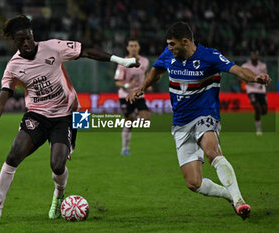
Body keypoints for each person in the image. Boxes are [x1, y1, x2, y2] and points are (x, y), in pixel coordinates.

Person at [0, 15, 139, 222]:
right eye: (20, 41)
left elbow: (86, 51)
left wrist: (121, 61)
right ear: (14, 42)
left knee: (57, 165)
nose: (25, 43)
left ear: (32, 34)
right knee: (13, 156)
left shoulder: (53, 47)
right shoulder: (13, 67)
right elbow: (0, 102)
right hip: (37, 114)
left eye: (27, 38)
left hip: (67, 114)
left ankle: (58, 196)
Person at [127, 22, 271, 220]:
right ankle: (228, 195)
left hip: (205, 115)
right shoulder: (169, 54)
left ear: (185, 42)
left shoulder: (209, 56)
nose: (169, 48)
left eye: (172, 44)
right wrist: (142, 87)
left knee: (212, 151)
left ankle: (239, 200)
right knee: (193, 183)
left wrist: (255, 78)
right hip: (180, 123)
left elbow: (236, 70)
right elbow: (157, 70)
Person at [114, 38, 151, 155]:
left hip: (139, 95)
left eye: (135, 45)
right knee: (129, 122)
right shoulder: (122, 62)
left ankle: (133, 119)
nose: (133, 48)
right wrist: (127, 85)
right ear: (127, 48)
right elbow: (117, 81)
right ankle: (125, 148)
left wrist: (147, 84)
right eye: (131, 46)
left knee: (146, 119)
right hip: (125, 95)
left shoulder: (145, 61)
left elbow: (146, 75)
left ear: (139, 47)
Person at [241, 50, 268, 135]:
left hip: (261, 89)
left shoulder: (263, 66)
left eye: (255, 55)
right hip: (251, 89)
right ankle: (259, 129)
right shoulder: (245, 65)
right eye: (253, 55)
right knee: (256, 107)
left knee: (264, 110)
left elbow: (265, 76)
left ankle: (258, 114)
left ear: (258, 56)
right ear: (251, 56)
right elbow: (241, 76)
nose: (254, 56)